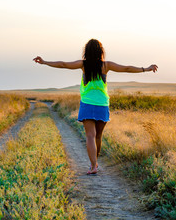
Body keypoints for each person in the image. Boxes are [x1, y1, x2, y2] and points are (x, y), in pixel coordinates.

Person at [33, 39, 158, 175]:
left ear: (86, 51)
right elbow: (126, 68)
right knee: (98, 136)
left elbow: (63, 64)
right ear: (101, 51)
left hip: (87, 104)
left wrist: (45, 62)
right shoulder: (106, 65)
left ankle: (93, 165)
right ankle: (95, 164)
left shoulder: (83, 64)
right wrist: (146, 69)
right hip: (102, 104)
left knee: (90, 136)